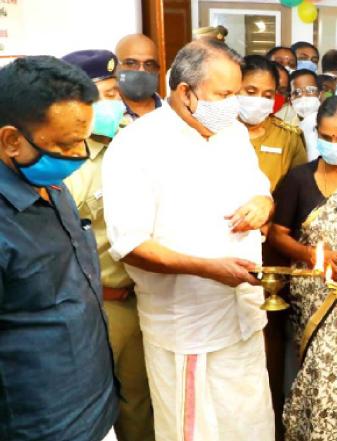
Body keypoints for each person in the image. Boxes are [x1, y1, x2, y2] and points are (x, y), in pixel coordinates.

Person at [103, 39, 275, 441]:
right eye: (224, 95)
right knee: (195, 431)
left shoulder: (233, 134)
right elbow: (131, 245)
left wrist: (262, 204)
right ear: (185, 92)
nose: (233, 105)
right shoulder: (137, 145)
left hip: (244, 317)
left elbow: (260, 190)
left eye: (236, 93)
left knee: (250, 425)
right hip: (189, 328)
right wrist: (208, 269)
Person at [0, 55, 118, 441]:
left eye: (83, 139)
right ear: (11, 140)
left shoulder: (49, 185)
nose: (80, 154)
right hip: (40, 425)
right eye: (65, 145)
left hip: (93, 409)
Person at [62, 49, 155, 441]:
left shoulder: (132, 144)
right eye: (108, 95)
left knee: (140, 407)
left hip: (137, 300)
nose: (118, 103)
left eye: (118, 93)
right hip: (91, 306)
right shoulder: (63, 161)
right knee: (88, 414)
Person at [268, 95, 337, 441]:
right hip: (312, 299)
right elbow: (278, 235)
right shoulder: (299, 179)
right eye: (326, 137)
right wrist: (317, 256)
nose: (334, 144)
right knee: (316, 381)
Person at [238, 55, 307, 191]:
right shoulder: (213, 130)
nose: (259, 100)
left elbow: (299, 189)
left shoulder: (288, 138)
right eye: (251, 92)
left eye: (268, 96)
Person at [116, 34, 163, 121]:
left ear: (157, 70)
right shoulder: (100, 116)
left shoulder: (173, 115)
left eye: (149, 64)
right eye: (131, 63)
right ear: (116, 67)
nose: (141, 70)